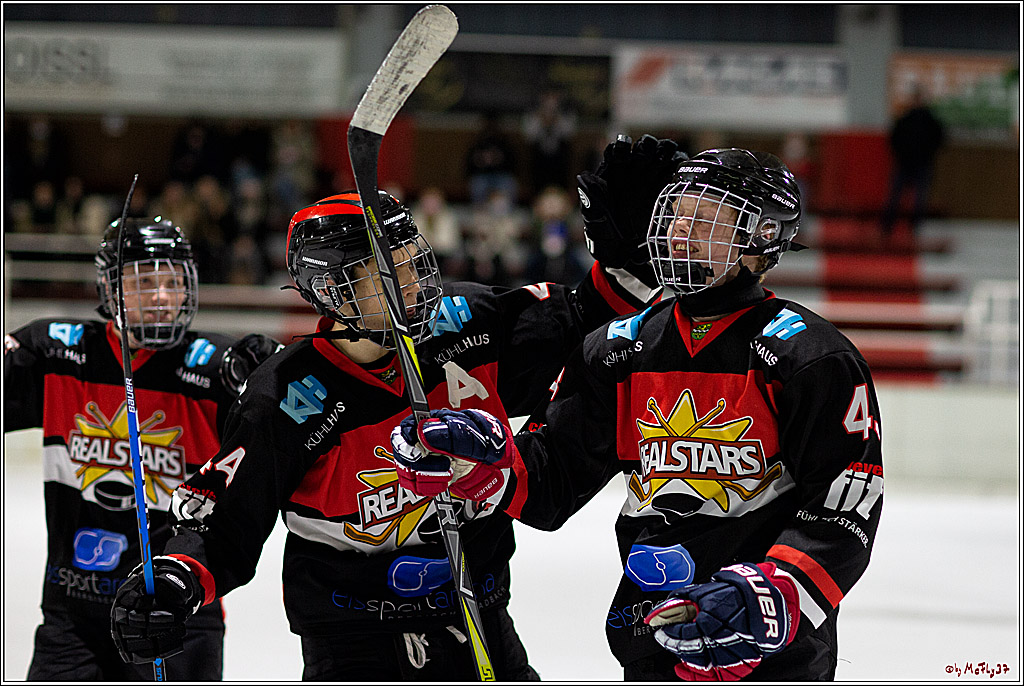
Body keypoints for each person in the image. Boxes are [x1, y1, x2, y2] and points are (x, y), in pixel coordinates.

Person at [108, 133, 686, 681]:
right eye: (391, 270)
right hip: (353, 644)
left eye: (413, 260)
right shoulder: (286, 396)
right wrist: (175, 578)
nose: (415, 281)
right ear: (332, 288)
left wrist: (627, 263)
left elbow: (582, 325)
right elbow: (222, 523)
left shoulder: (465, 324)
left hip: (476, 621)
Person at [391, 149, 884, 681]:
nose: (680, 232)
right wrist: (484, 462)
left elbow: (845, 507)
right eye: (677, 214)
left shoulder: (811, 356)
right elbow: (554, 477)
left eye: (706, 219)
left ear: (761, 239)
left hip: (765, 647)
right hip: (652, 632)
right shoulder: (618, 348)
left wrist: (774, 593)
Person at [4, 217, 283, 680]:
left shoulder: (216, 370)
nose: (161, 296)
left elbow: (283, 443)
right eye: (145, 281)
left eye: (173, 282)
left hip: (176, 612)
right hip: (73, 613)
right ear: (110, 288)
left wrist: (274, 373)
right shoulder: (56, 354)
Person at [880, 86, 945, 241]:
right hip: (904, 164)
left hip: (923, 164)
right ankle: (886, 227)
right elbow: (894, 139)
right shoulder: (905, 119)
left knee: (919, 199)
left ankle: (914, 228)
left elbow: (939, 139)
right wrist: (901, 155)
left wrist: (928, 154)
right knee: (895, 196)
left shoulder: (931, 121)